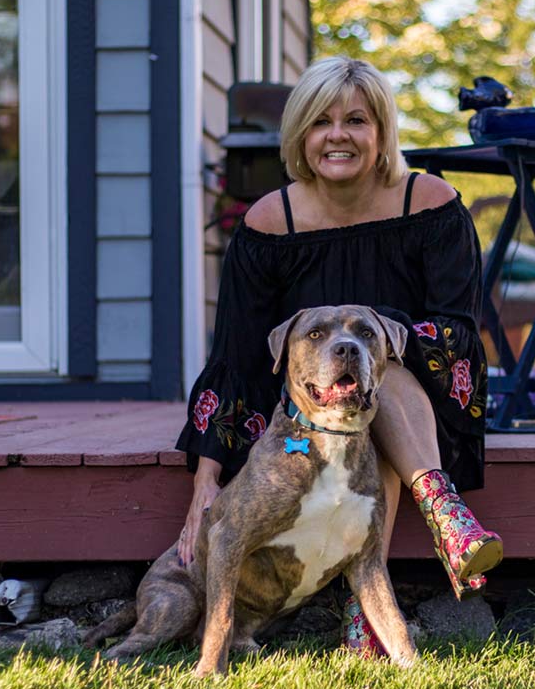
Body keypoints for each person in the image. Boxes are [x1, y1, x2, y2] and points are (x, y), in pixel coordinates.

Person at [175, 56, 502, 654]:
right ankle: (371, 602)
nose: (339, 135)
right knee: (348, 388)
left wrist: (383, 336)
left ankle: (439, 509)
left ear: (381, 133)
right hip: (311, 414)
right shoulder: (271, 221)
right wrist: (206, 477)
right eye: (321, 121)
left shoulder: (428, 203)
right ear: (301, 134)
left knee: (381, 365)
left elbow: (457, 332)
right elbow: (240, 353)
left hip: (420, 406)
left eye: (357, 120)